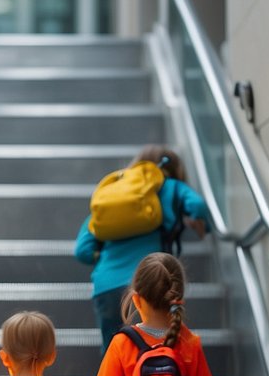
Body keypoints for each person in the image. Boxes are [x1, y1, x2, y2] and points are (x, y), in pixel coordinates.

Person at [75, 146, 211, 351]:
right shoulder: (171, 186)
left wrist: (104, 258)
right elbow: (198, 205)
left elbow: (82, 250)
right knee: (152, 352)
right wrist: (201, 224)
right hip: (149, 284)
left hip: (106, 286)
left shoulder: (115, 196)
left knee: (113, 354)